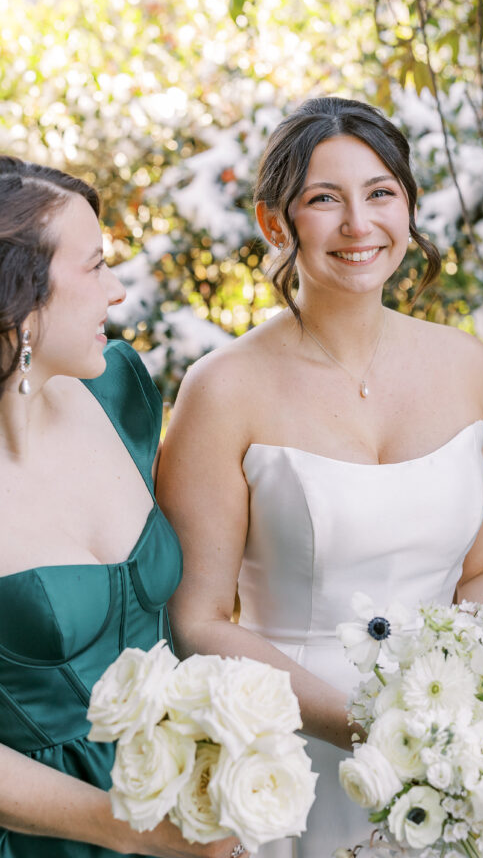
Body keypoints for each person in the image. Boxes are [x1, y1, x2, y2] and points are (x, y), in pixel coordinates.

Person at [156, 97, 483, 858]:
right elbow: (196, 618)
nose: (358, 225)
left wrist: (479, 707)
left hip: (451, 754)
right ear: (274, 223)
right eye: (325, 200)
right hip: (287, 755)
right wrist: (367, 724)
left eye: (380, 193)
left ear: (409, 208)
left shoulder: (464, 365)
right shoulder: (223, 389)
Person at [0, 157, 246, 858]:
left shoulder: (121, 394)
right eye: (95, 265)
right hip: (46, 838)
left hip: (188, 815)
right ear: (18, 293)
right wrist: (138, 832)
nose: (116, 291)